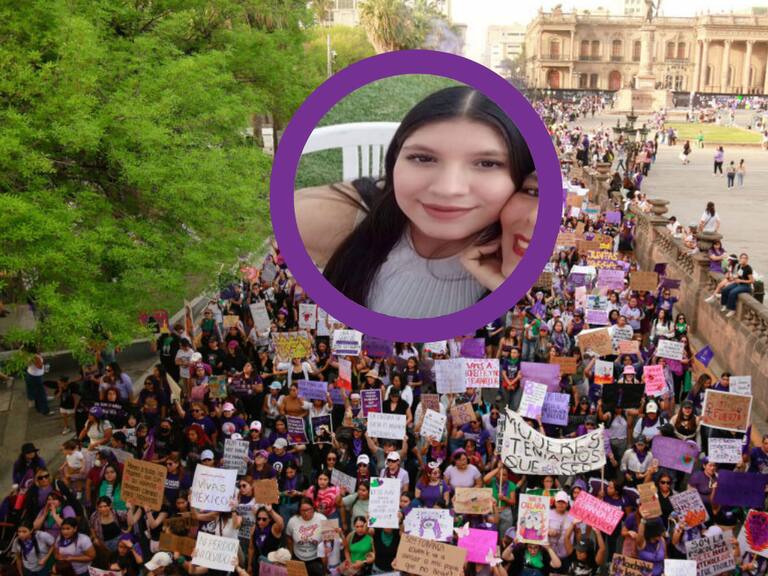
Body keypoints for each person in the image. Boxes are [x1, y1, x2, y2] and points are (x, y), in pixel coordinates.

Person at [295, 86, 537, 318]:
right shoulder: (347, 216)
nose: (448, 189)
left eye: (487, 163)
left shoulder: (526, 256)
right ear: (394, 161)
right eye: (423, 158)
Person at [285, 497, 327, 576]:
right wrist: (290, 554)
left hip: (316, 558)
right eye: (303, 510)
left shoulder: (323, 518)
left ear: (313, 508)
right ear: (299, 510)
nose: (306, 513)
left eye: (308, 509)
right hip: (298, 558)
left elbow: (331, 540)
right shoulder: (292, 520)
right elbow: (288, 538)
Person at [719, 252, 754, 317]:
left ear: (747, 259)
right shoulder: (739, 266)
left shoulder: (748, 268)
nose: (743, 259)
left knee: (732, 292)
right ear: (740, 259)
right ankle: (724, 305)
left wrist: (741, 280)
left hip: (746, 286)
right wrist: (732, 278)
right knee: (725, 289)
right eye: (742, 258)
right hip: (738, 283)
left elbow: (752, 281)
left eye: (745, 258)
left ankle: (732, 309)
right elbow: (738, 275)